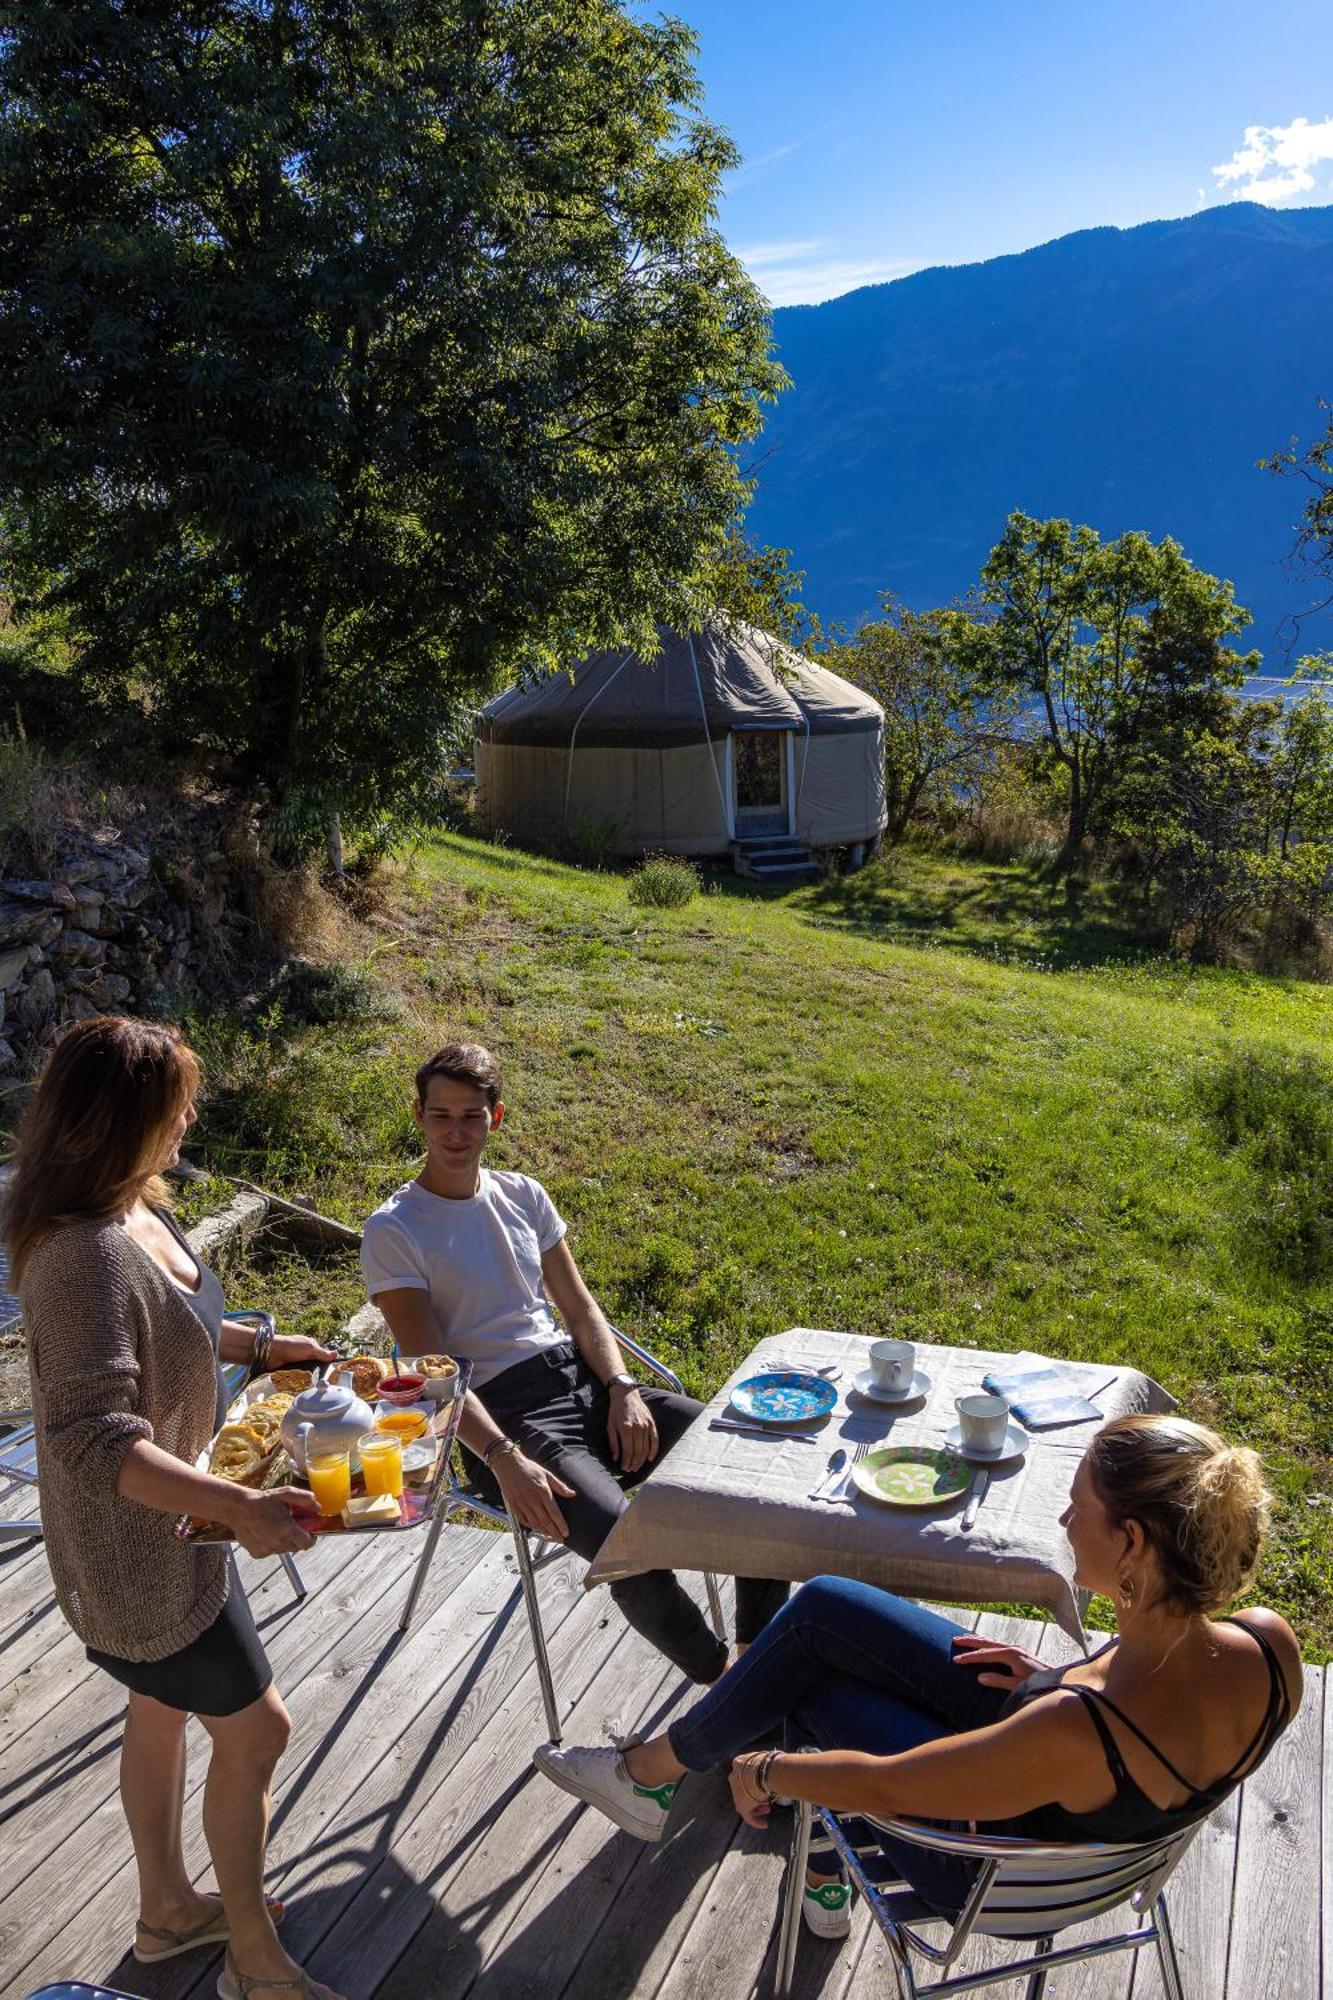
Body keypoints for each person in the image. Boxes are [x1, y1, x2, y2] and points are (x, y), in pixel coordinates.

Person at [534, 1414, 1302, 1942]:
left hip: (983, 1873)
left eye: (1076, 1511)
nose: (1064, 1525)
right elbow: (1151, 1709)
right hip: (1076, 1793)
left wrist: (766, 1769)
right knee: (823, 1609)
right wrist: (1055, 1678)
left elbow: (886, 1787)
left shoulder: (1075, 1727)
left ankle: (756, 1838)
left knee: (810, 1690)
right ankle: (652, 1774)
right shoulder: (1269, 1646)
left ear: (1130, 1541)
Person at [8, 1015, 342, 2000]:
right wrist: (238, 1505)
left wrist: (260, 1347)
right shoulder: (81, 1256)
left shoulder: (137, 1210)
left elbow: (179, 1317)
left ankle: (166, 1912)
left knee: (157, 1711)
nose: (192, 1113)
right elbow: (90, 1435)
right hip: (141, 1561)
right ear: (124, 1120)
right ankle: (253, 1957)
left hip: (181, 1523)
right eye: (176, 1102)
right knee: (257, 1731)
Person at [361, 1040, 786, 1683]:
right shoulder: (396, 1228)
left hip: (579, 1380)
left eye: (471, 1115)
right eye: (441, 1115)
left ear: (495, 1119)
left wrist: (622, 1387)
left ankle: (757, 1659)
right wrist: (503, 1459)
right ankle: (722, 1683)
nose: (456, 1131)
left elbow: (581, 1308)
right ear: (418, 1116)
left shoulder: (524, 1195)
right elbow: (434, 1368)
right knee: (626, 1544)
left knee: (748, 1465)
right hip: (498, 1418)